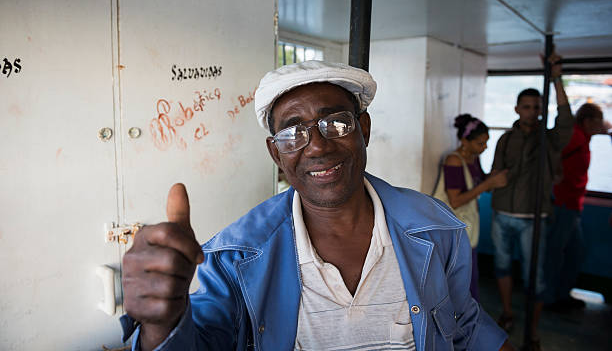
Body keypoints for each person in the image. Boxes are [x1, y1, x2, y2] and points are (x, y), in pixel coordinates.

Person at [120, 61, 513, 350]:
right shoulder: (232, 257)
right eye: (292, 133)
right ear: (276, 154)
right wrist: (162, 325)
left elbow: (463, 324)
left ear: (365, 129)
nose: (319, 146)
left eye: (336, 123)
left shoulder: (437, 230)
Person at [490, 53, 572, 350]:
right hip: (502, 213)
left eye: (537, 107)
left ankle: (533, 331)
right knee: (501, 266)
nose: (532, 111)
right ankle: (508, 312)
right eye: (526, 106)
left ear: (541, 110)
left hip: (533, 217)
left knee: (534, 275)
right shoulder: (505, 140)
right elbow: (495, 175)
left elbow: (566, 121)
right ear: (517, 109)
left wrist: (557, 78)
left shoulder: (549, 139)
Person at [545, 102, 611, 311]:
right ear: (587, 121)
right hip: (563, 204)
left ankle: (561, 294)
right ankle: (548, 299)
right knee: (556, 254)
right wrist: (555, 178)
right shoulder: (575, 137)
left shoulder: (583, 137)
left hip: (572, 205)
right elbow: (552, 153)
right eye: (598, 121)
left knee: (575, 252)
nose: (601, 125)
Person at [435, 114, 508, 302]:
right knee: (461, 280)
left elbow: (478, 182)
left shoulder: (472, 158)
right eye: (480, 143)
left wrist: (491, 179)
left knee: (470, 277)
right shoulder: (454, 161)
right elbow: (455, 201)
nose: (484, 148)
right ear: (464, 141)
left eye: (486, 143)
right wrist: (488, 184)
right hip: (457, 230)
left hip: (469, 226)